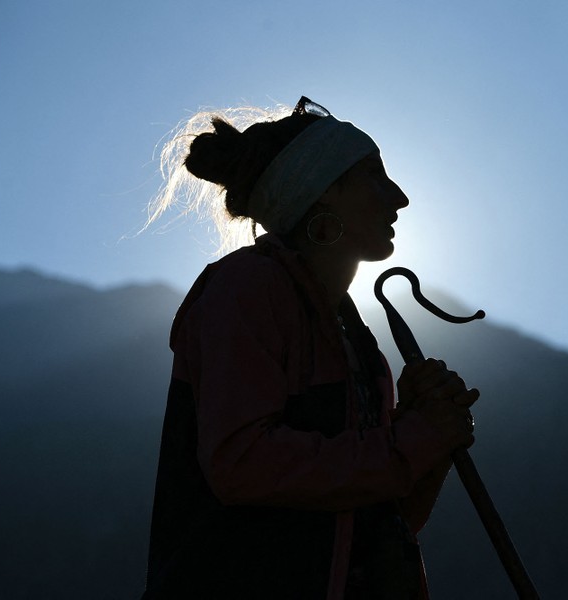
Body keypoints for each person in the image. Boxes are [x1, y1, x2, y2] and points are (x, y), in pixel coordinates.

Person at [142, 97, 479, 599]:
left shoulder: (360, 346)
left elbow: (378, 523)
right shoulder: (247, 287)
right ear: (320, 194)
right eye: (372, 175)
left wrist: (430, 436)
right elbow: (242, 463)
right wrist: (410, 439)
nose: (400, 197)